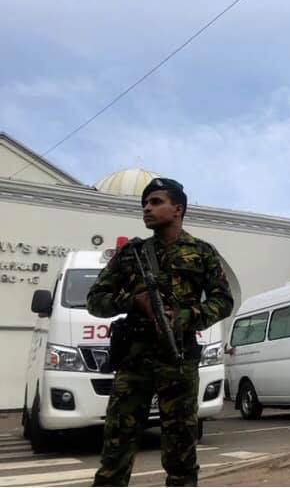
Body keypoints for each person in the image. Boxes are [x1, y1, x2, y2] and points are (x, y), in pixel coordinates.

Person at [87, 178, 234, 486]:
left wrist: (183, 316)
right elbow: (95, 301)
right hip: (134, 359)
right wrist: (133, 301)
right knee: (117, 445)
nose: (147, 208)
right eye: (145, 203)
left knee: (181, 448)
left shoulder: (202, 253)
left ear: (177, 209)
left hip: (177, 360)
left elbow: (223, 302)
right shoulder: (131, 253)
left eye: (155, 202)